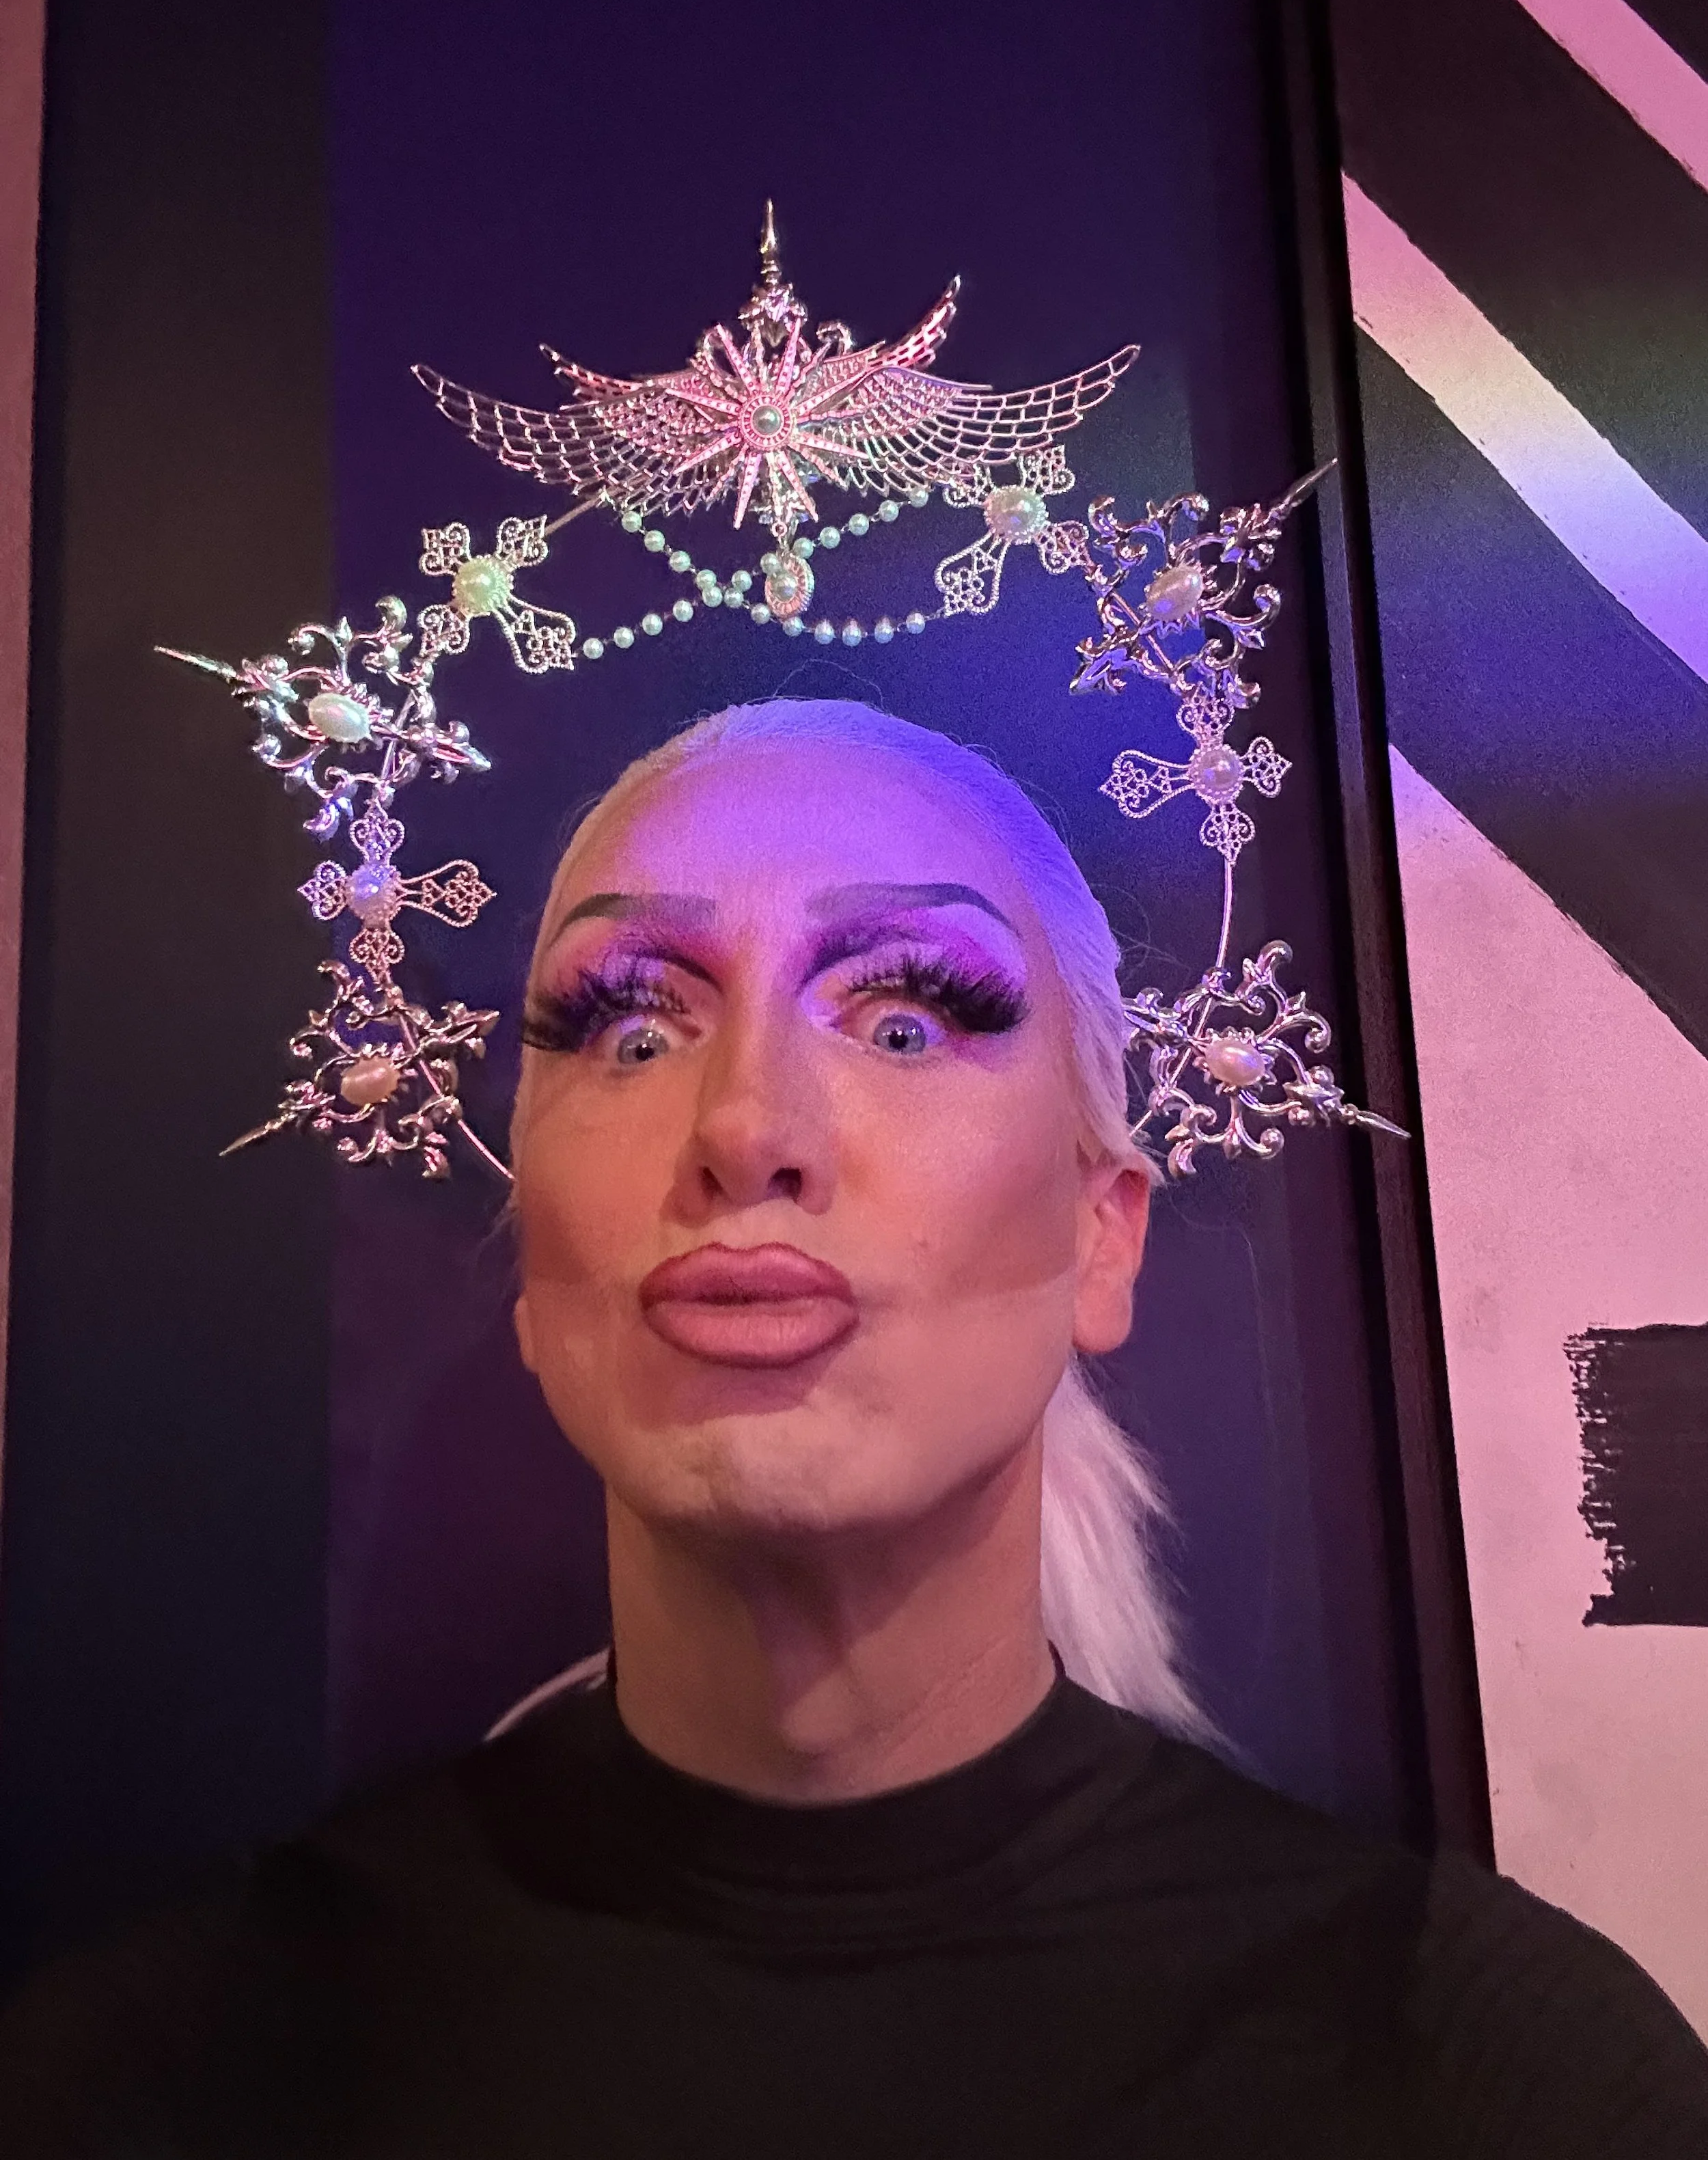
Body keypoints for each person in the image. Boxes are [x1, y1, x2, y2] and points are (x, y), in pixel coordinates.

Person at [1, 697, 1705, 2157]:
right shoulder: (161, 2086)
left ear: (1100, 1233)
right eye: (632, 1021)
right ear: (529, 1256)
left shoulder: (1493, 2085)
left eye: (906, 1015)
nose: (746, 1126)